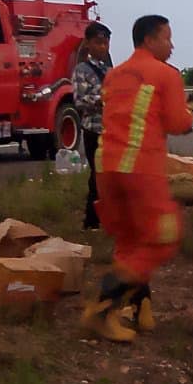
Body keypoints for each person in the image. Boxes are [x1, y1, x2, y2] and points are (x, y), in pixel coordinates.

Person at [83, 14, 193, 342]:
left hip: (106, 165)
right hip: (139, 166)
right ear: (150, 40)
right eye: (167, 38)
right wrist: (191, 113)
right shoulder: (165, 74)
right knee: (164, 237)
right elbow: (177, 123)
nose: (172, 45)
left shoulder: (114, 74)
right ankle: (102, 308)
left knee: (131, 240)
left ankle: (138, 307)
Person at [71, 22, 112, 230]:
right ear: (87, 44)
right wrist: (102, 99)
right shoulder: (82, 70)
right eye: (98, 43)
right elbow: (80, 101)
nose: (103, 47)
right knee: (97, 177)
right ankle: (91, 221)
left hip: (112, 130)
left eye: (105, 43)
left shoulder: (110, 69)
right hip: (93, 130)